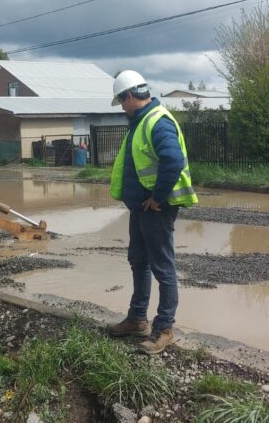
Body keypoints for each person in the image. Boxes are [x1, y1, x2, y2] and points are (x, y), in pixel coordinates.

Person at [107, 70, 197, 355]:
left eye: (121, 102)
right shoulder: (141, 121)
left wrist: (158, 198)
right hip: (141, 207)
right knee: (139, 261)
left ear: (130, 96)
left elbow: (173, 159)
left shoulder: (158, 122)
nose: (122, 107)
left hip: (156, 208)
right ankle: (137, 319)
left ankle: (165, 329)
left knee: (162, 267)